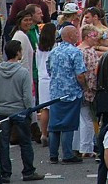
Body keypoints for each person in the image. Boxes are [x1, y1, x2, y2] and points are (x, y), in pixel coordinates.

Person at [0, 39, 43, 181]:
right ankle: (28, 171)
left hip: (3, 111)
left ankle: (5, 173)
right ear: (18, 52)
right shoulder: (23, 72)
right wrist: (29, 111)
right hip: (20, 111)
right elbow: (27, 96)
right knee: (25, 142)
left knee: (4, 144)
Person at [46, 25, 86, 165]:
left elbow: (48, 70)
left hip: (55, 93)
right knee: (68, 124)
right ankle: (67, 154)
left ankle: (53, 155)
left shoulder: (53, 52)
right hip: (71, 92)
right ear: (70, 36)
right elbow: (80, 75)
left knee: (55, 124)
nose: (77, 35)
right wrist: (84, 87)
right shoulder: (75, 52)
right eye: (76, 33)